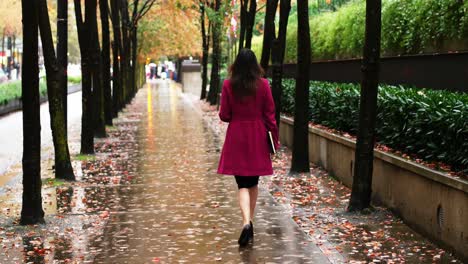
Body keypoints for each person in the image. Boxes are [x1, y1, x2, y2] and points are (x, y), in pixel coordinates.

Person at [217, 48, 279, 247]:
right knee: (253, 183)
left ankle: (246, 223)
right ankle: (249, 222)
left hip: (237, 136)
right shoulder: (263, 85)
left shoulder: (228, 85)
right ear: (255, 65)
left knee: (242, 184)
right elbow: (270, 115)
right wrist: (273, 141)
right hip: (257, 136)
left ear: (237, 65)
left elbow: (224, 115)